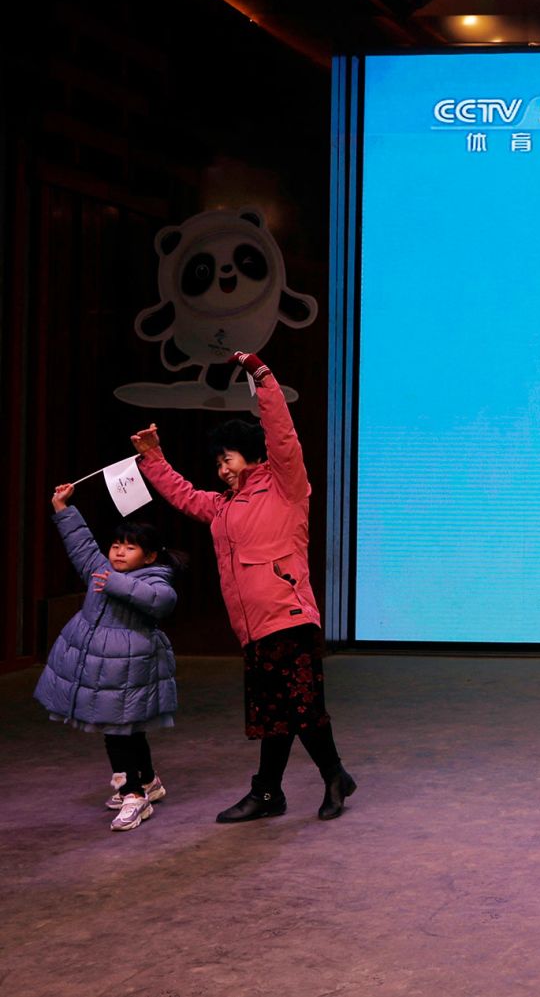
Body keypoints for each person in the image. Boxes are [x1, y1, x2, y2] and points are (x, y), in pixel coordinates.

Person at [131, 351, 357, 823]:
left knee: (302, 707)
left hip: (288, 616)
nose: (221, 468)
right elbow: (183, 495)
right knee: (275, 714)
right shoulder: (224, 507)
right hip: (253, 629)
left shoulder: (285, 486)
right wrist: (152, 458)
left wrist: (262, 376)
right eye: (216, 462)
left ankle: (327, 776)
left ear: (251, 456)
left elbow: (283, 434)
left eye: (227, 458)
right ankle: (272, 792)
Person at [33, 484, 179, 832]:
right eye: (116, 545)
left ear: (149, 556)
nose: (118, 552)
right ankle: (147, 781)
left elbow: (160, 601)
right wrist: (62, 508)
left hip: (129, 671)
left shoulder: (156, 580)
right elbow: (81, 545)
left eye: (130, 548)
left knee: (119, 732)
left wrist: (115, 583)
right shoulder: (101, 571)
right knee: (125, 730)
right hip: (104, 671)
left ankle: (133, 795)